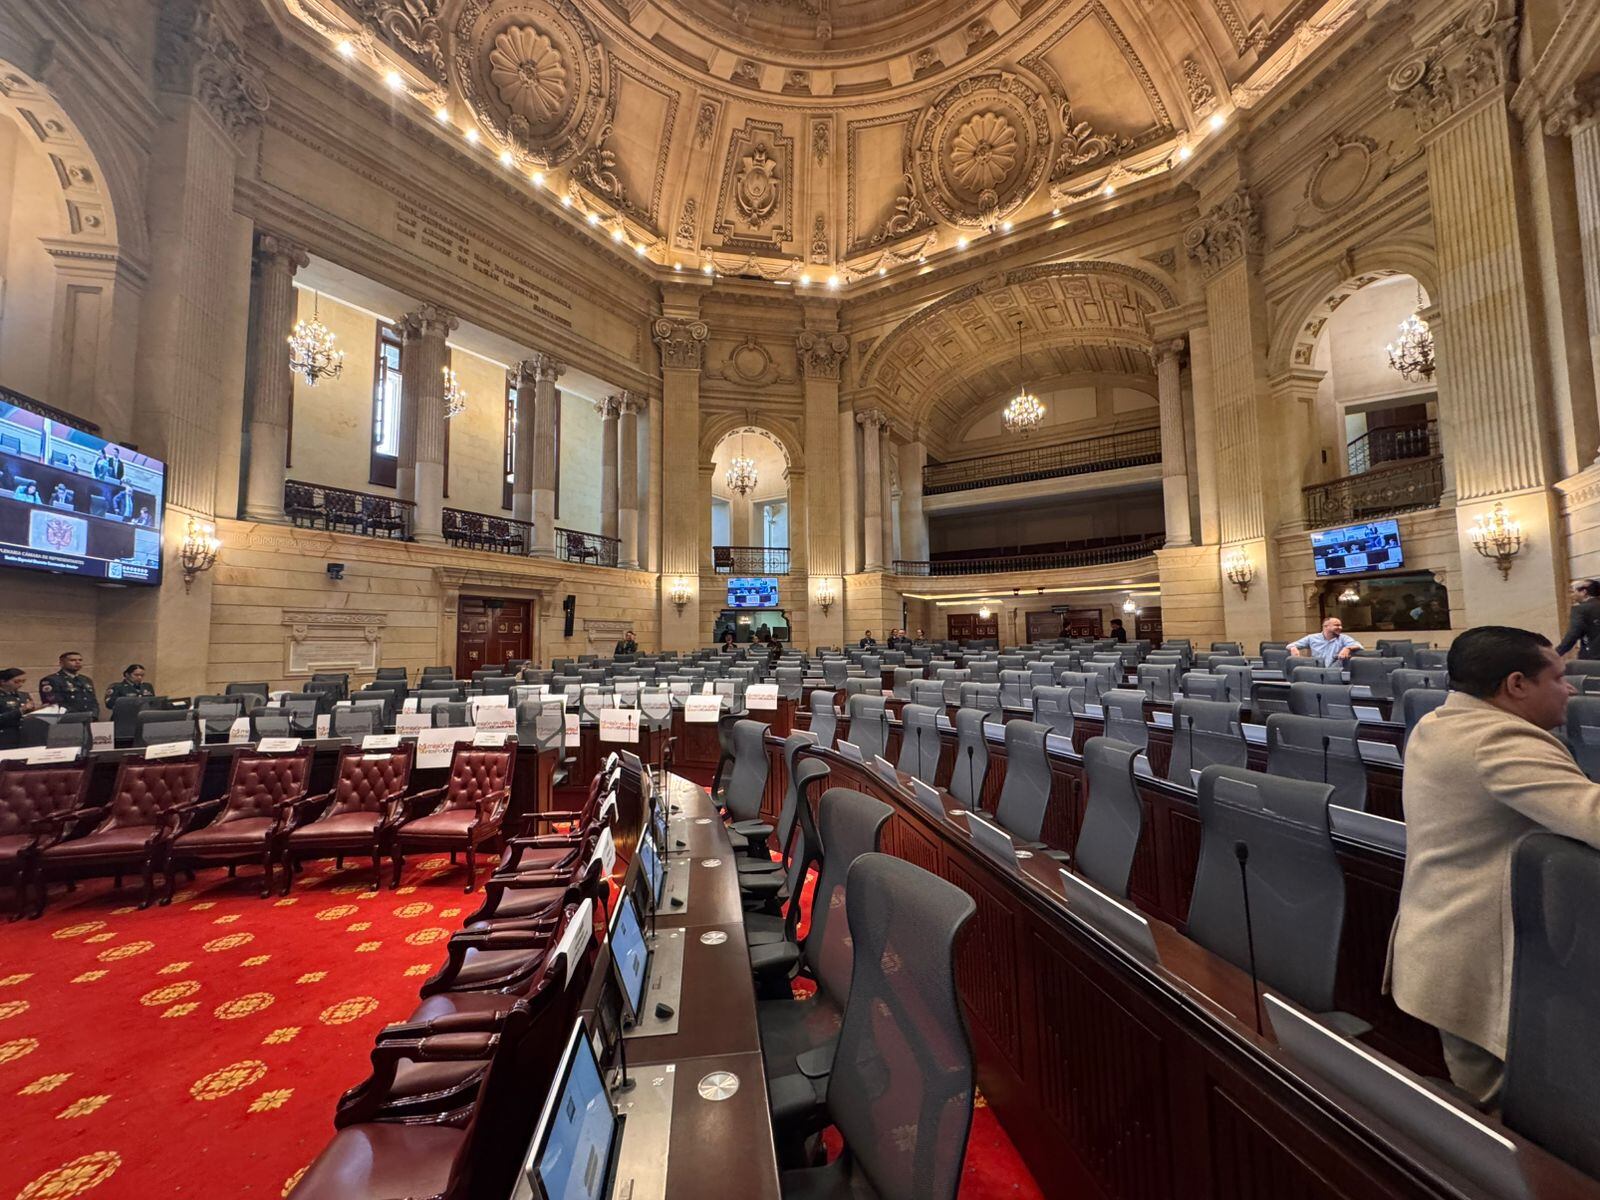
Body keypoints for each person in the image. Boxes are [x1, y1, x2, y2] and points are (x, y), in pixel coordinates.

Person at [1387, 626, 1600, 1107]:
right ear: (1517, 684)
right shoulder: (1499, 740)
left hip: (1442, 946)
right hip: (1482, 964)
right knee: (1518, 1132)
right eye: (1559, 678)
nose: (1570, 689)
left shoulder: (1441, 721)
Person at [38, 651, 98, 717]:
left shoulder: (86, 679)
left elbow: (93, 700)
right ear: (62, 663)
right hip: (66, 719)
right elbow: (55, 703)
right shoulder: (51, 680)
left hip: (88, 717)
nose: (77, 662)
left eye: (80, 660)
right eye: (72, 660)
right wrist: (77, 716)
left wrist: (94, 715)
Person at [1287, 616, 1363, 666]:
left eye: (1340, 625)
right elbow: (1289, 645)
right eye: (1337, 625)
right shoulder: (1312, 638)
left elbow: (1359, 646)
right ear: (1326, 626)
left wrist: (1347, 648)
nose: (1340, 627)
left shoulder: (1343, 638)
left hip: (1335, 672)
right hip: (1316, 670)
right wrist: (1293, 648)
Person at [1556, 579, 1600, 660]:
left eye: (1573, 591)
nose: (1571, 596)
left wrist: (1555, 654)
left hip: (1593, 659)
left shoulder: (1580, 610)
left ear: (1584, 592)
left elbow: (1573, 635)